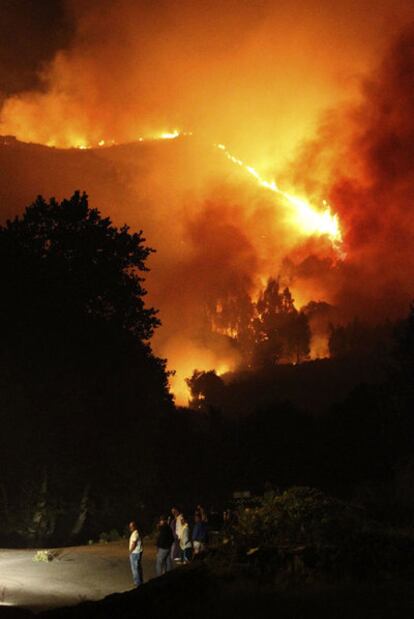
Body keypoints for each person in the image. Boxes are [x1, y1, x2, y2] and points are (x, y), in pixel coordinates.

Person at [128, 521, 144, 587]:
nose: (130, 527)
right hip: (138, 552)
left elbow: (134, 544)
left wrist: (130, 551)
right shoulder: (137, 533)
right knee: (138, 567)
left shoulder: (135, 534)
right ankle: (139, 581)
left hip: (135, 553)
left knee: (135, 569)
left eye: (131, 526)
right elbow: (141, 542)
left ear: (134, 526)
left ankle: (137, 583)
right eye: (130, 526)